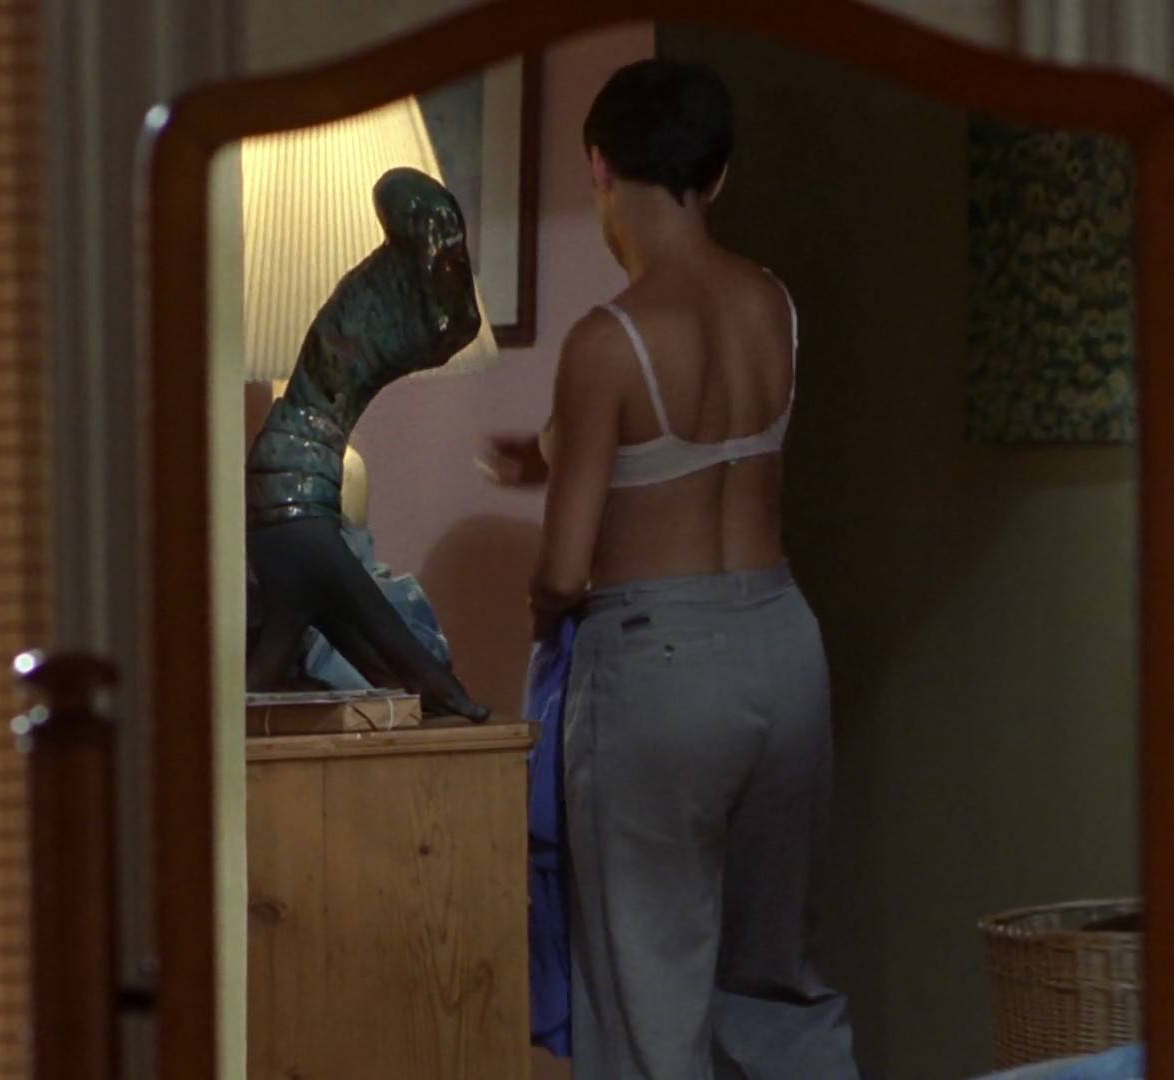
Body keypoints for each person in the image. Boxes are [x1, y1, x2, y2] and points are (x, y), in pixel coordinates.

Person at [480, 58, 857, 1080]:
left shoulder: (610, 339)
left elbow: (565, 570)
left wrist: (543, 615)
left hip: (657, 666)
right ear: (718, 174)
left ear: (600, 166)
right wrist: (556, 453)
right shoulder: (772, 305)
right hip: (783, 647)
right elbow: (697, 448)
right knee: (777, 985)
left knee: (649, 998)